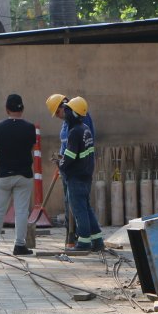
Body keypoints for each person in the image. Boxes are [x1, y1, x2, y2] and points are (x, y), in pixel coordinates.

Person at [0, 94, 37, 255]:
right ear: (23, 109)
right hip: (24, 174)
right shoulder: (30, 128)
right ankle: (19, 245)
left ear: (7, 109)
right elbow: (31, 148)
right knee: (21, 211)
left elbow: (0, 147)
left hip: (3, 174)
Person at [56, 95, 102, 252]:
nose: (64, 114)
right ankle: (97, 240)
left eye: (67, 111)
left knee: (78, 209)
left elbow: (69, 156)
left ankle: (83, 242)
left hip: (75, 177)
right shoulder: (86, 129)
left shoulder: (74, 132)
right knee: (86, 207)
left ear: (74, 114)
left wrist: (60, 163)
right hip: (85, 176)